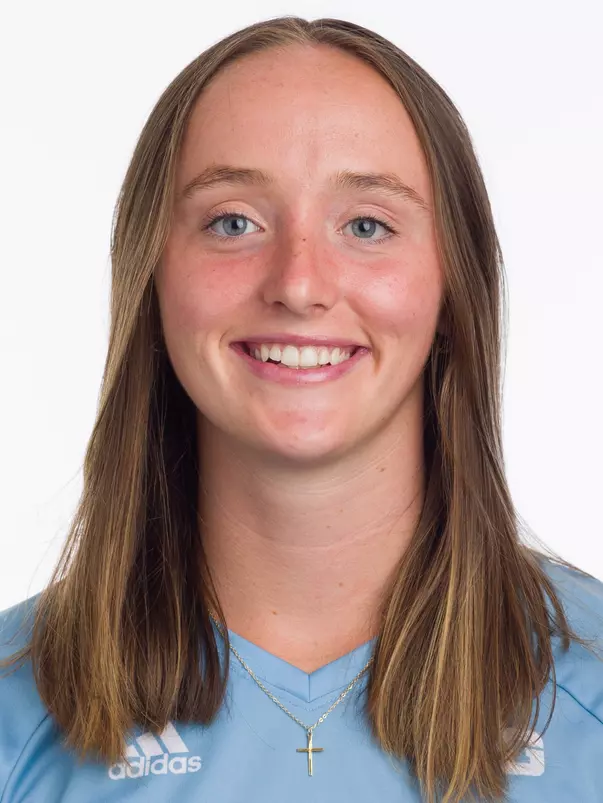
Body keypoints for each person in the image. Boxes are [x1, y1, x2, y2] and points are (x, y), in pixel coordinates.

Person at [1, 14, 602, 803]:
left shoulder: (587, 692)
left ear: (451, 289)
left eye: (366, 224)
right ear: (151, 278)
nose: (298, 282)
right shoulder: (18, 715)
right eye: (232, 221)